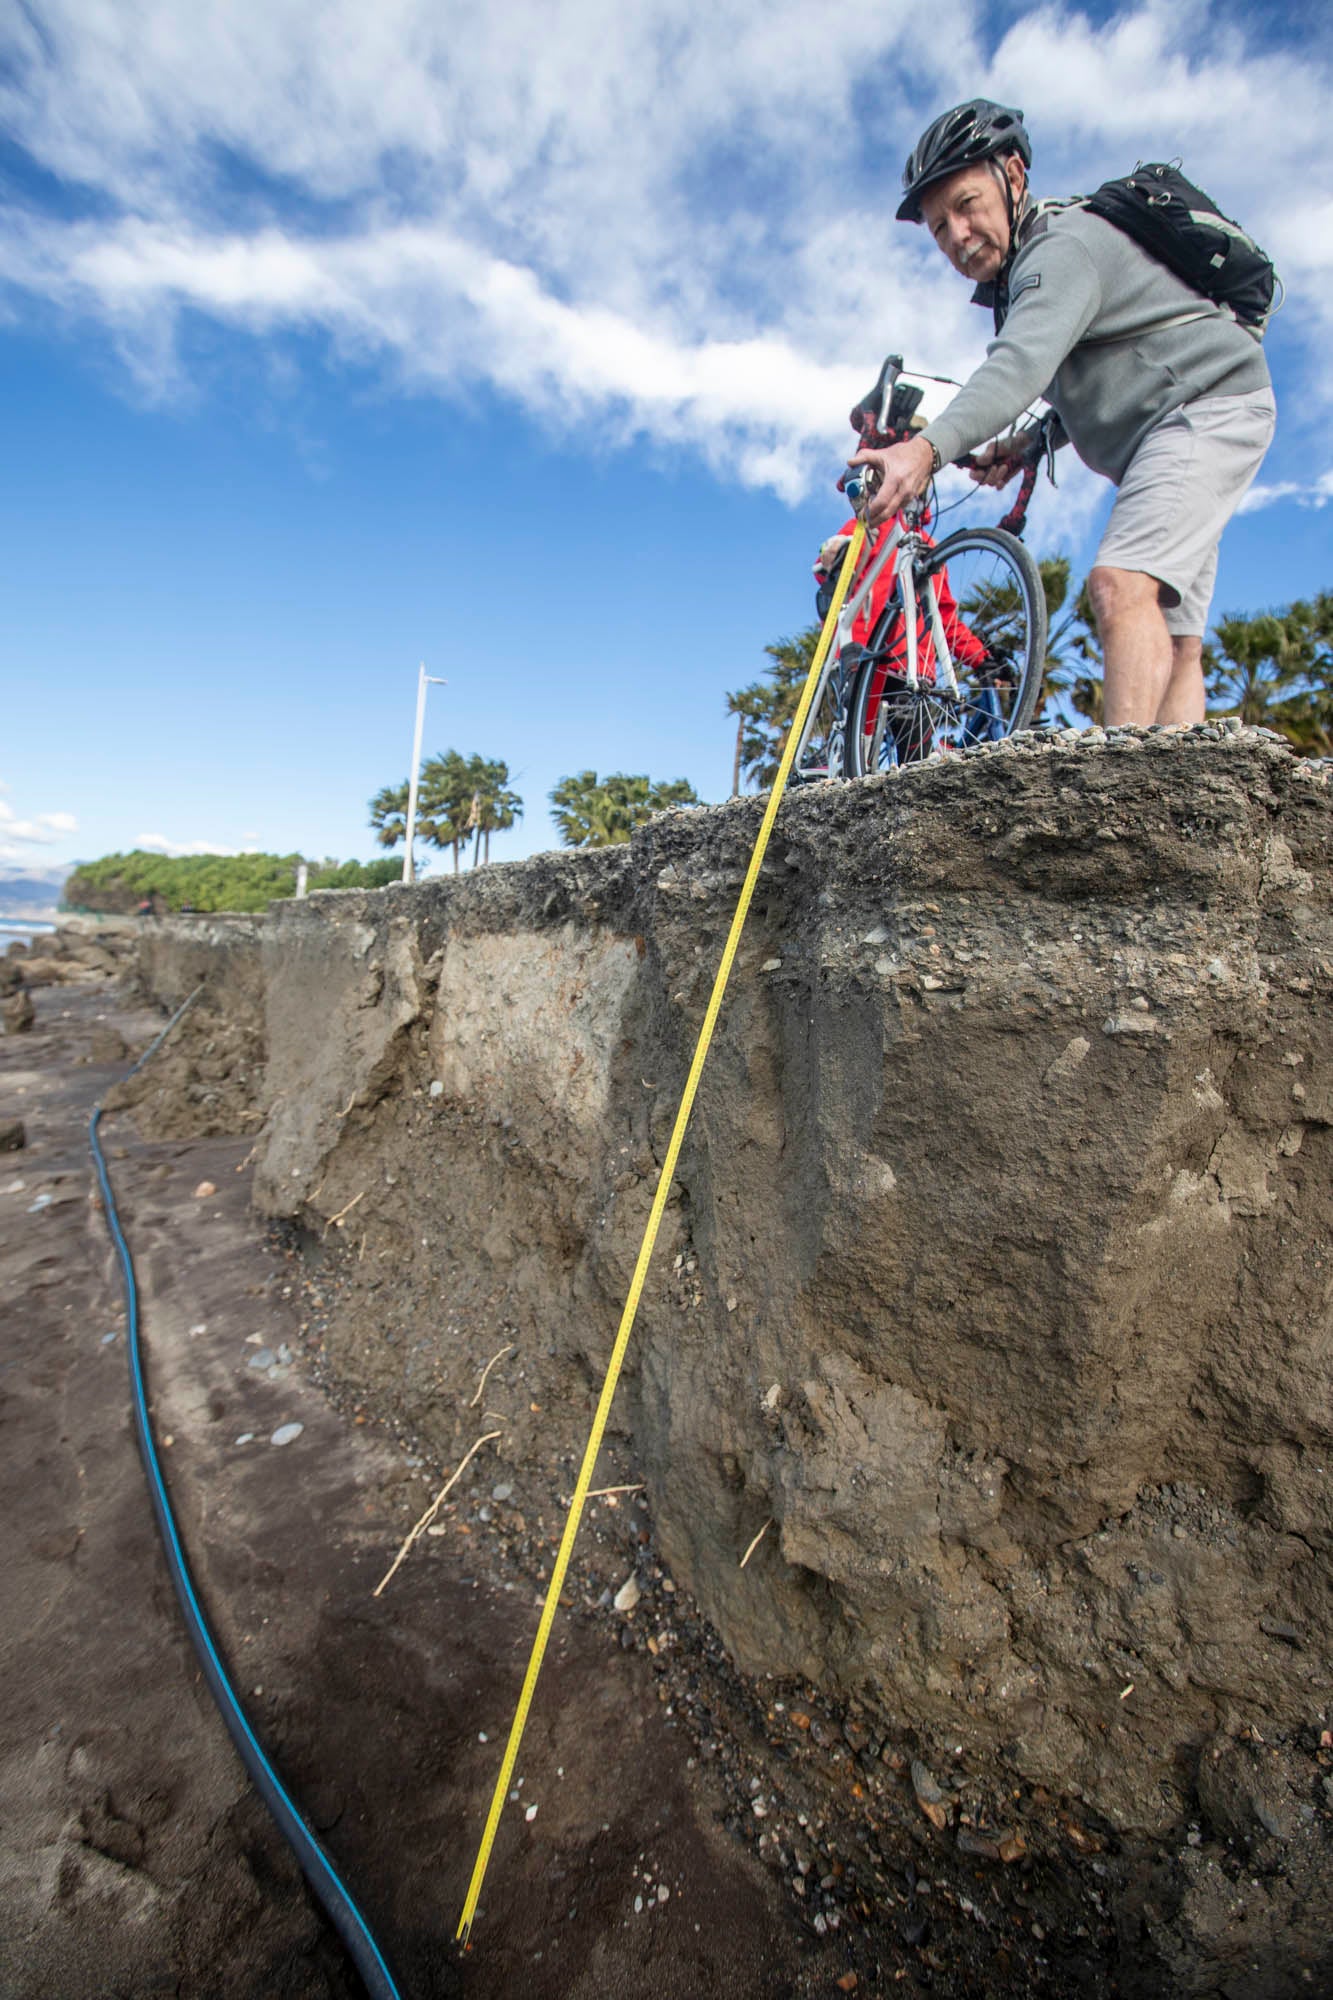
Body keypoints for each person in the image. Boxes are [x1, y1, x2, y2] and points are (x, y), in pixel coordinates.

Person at [849, 100, 1276, 728]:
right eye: (939, 227)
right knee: (1175, 636)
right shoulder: (1027, 272)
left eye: (966, 205)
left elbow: (1017, 368)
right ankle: (1175, 807)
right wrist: (1022, 447)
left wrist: (924, 450)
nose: (958, 237)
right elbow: (1087, 380)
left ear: (1014, 176)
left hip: (1205, 407)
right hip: (1186, 425)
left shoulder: (1059, 250)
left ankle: (1114, 806)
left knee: (1121, 586)